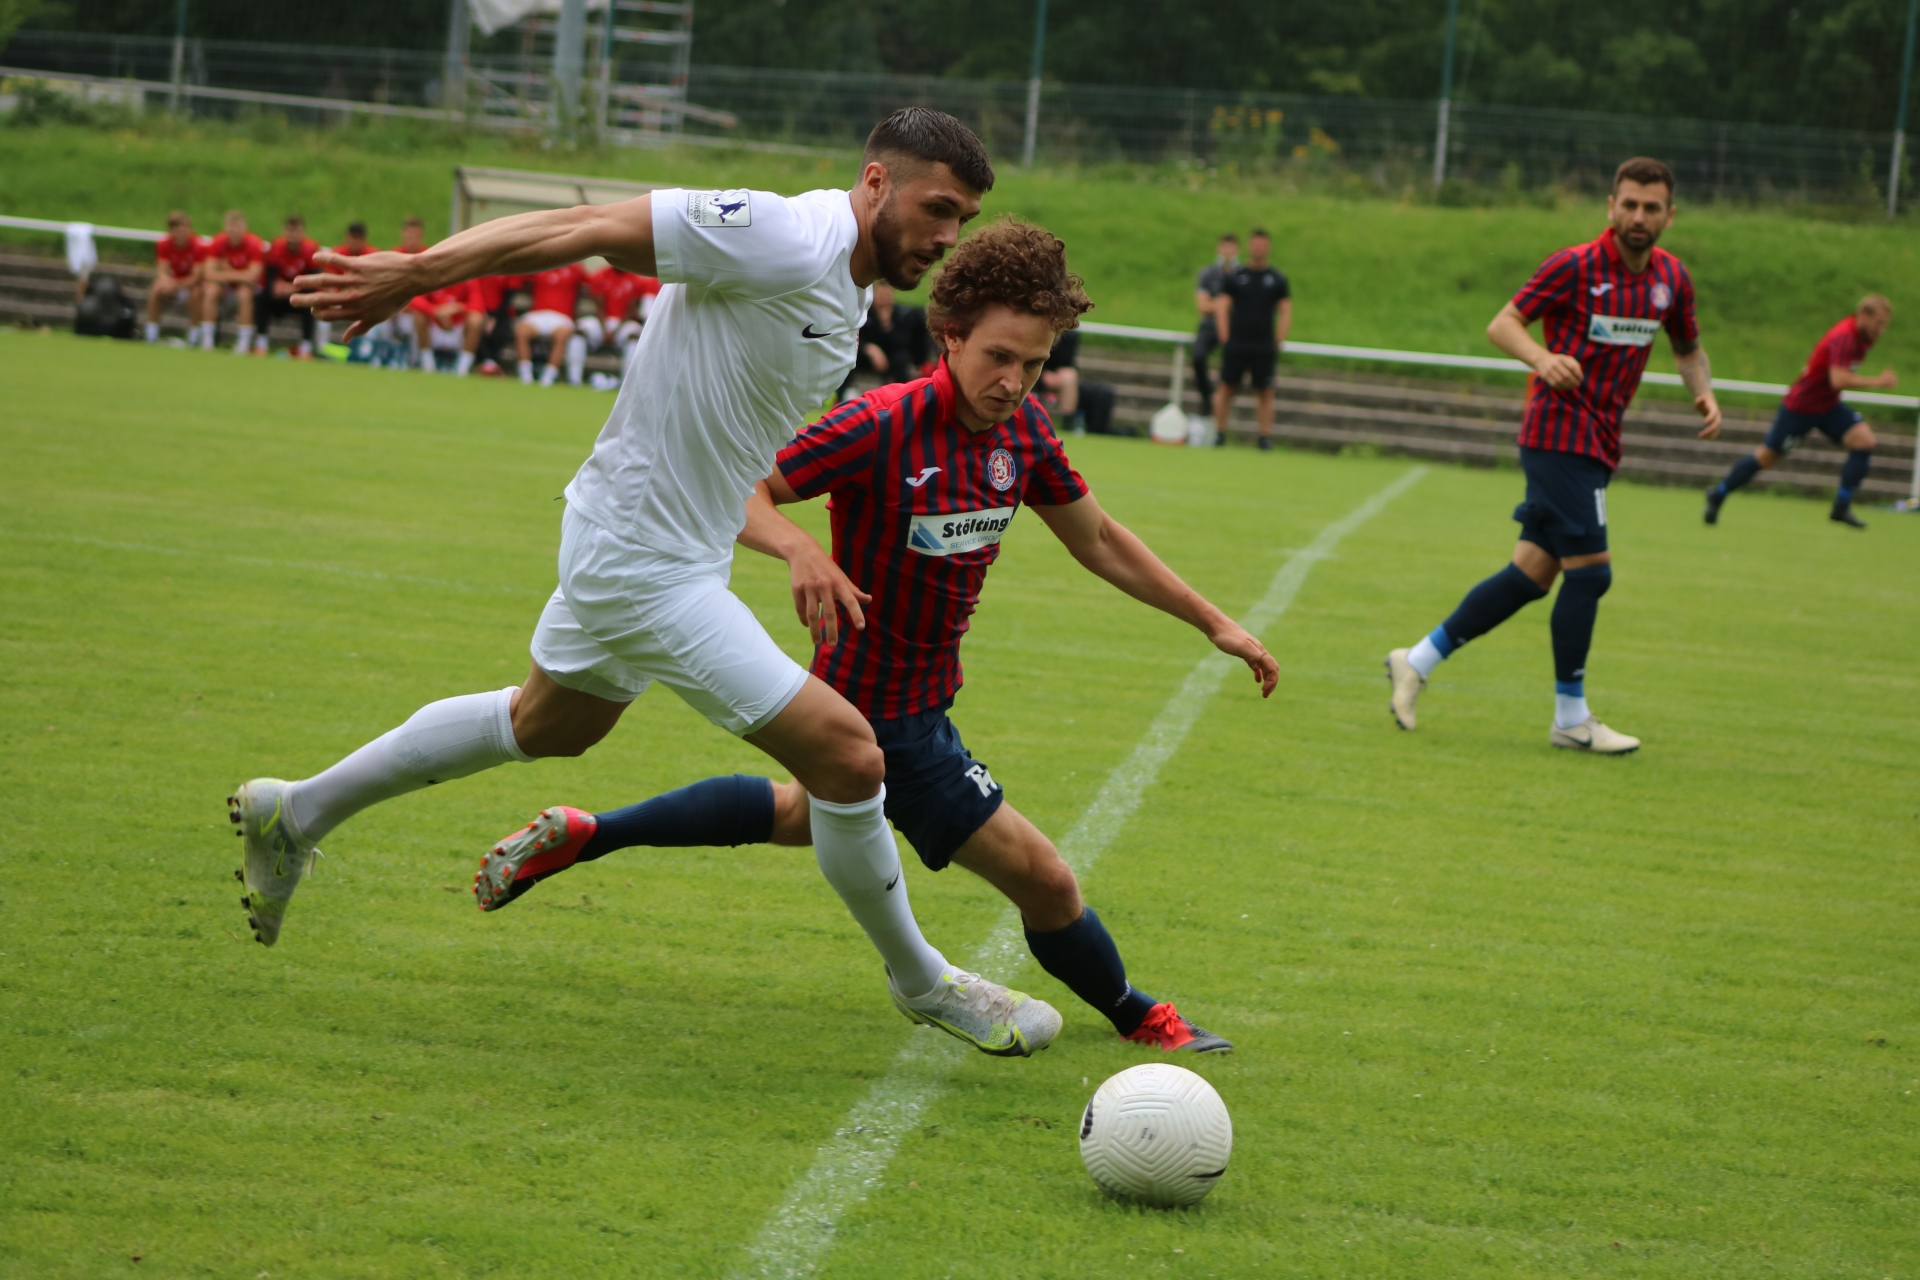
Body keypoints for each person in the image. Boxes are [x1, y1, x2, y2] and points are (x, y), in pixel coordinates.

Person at [239, 108, 1061, 1059]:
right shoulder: (782, 234)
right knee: (850, 756)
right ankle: (923, 982)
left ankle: (295, 811)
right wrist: (417, 274)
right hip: (642, 555)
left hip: (663, 545)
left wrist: (777, 541)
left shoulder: (844, 283)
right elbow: (582, 226)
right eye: (937, 208)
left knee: (550, 724)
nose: (948, 235)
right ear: (876, 183)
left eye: (962, 219)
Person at [474, 219, 1272, 1054]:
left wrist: (1215, 622)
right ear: (950, 334)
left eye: (1034, 365)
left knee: (800, 813)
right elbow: (740, 488)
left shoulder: (1024, 433)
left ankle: (590, 833)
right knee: (1046, 880)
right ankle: (1140, 1015)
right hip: (883, 714)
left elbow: (1098, 538)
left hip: (919, 701)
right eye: (999, 357)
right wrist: (801, 550)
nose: (1013, 382)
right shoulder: (882, 422)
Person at [1385, 157, 1721, 754]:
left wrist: (1704, 393)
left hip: (1600, 441)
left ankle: (1416, 660)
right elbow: (1503, 324)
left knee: (1531, 575)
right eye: (1628, 204)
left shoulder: (1672, 278)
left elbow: (1688, 346)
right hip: (1558, 434)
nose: (1637, 216)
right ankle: (1571, 717)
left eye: (1650, 208)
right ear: (1610, 206)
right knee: (1592, 573)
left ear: (1669, 216)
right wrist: (1542, 359)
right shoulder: (1575, 266)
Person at [1704, 296, 1894, 529]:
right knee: (1766, 458)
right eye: (1878, 323)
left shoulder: (1863, 338)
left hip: (1827, 405)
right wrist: (1878, 381)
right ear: (1863, 315)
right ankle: (1718, 493)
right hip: (1801, 407)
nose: (1881, 330)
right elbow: (1838, 379)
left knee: (1864, 441)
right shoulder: (1844, 336)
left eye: (1884, 325)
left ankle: (1841, 507)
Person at [1212, 228, 1290, 450]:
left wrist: (1279, 338)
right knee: (1226, 387)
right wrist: (1224, 334)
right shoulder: (1236, 276)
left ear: (1268, 248)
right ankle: (1219, 433)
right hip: (1238, 341)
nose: (1258, 249)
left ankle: (1264, 436)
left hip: (1263, 344)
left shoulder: (1277, 278)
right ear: (1249, 247)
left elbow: (1286, 309)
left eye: (1262, 245)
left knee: (1265, 391)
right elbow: (1222, 305)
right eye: (1255, 245)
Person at [199, 210, 265, 354]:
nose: (234, 231)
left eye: (238, 227)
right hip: (226, 288)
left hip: (248, 289)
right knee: (211, 290)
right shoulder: (218, 242)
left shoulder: (254, 243)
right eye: (231, 226)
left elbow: (253, 277)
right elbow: (209, 274)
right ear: (225, 227)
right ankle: (207, 340)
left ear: (244, 228)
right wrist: (240, 274)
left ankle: (243, 343)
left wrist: (225, 269)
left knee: (244, 293)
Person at [1192, 232, 1239, 429]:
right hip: (1209, 327)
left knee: (1233, 367)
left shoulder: (1241, 274)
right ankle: (1207, 398)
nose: (1227, 251)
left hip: (1235, 327)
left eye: (1231, 248)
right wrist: (1224, 306)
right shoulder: (1208, 273)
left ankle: (1223, 406)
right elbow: (1203, 305)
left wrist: (1218, 305)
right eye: (1224, 247)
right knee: (1198, 357)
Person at [515, 262, 590, 386]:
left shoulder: (575, 268)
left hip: (562, 316)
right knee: (521, 331)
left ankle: (548, 377)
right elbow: (519, 279)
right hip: (538, 314)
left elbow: (591, 284)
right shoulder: (540, 263)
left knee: (562, 335)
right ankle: (525, 375)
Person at [259, 215, 320, 358]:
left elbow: (313, 281)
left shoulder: (310, 249)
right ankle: (261, 343)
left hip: (300, 295)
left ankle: (306, 347)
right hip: (280, 295)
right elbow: (270, 277)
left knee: (311, 302)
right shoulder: (276, 246)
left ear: (303, 232)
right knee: (261, 298)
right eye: (289, 231)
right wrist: (276, 287)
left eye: (296, 231)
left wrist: (293, 288)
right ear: (284, 231)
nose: (292, 235)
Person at [578, 263, 658, 369]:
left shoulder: (636, 280)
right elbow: (600, 308)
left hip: (623, 324)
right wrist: (605, 330)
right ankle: (574, 376)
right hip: (602, 322)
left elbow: (630, 311)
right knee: (579, 332)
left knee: (633, 336)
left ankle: (627, 376)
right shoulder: (600, 275)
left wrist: (614, 332)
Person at [314, 222, 377, 352]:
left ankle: (366, 351)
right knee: (322, 307)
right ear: (347, 237)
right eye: (353, 237)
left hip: (363, 300)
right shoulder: (337, 254)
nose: (355, 242)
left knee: (378, 312)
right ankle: (321, 348)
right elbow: (328, 283)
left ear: (364, 239)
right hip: (339, 298)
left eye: (358, 238)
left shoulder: (373, 256)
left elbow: (376, 284)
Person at [145, 210, 206, 345]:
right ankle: (151, 333)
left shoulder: (198, 245)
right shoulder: (163, 244)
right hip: (175, 284)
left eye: (184, 228)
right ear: (171, 230)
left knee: (196, 294)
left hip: (190, 286)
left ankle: (194, 336)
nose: (181, 233)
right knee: (156, 289)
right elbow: (162, 270)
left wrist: (175, 284)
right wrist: (166, 282)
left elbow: (196, 277)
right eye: (177, 229)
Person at [856, 280, 930, 384]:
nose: (883, 301)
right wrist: (869, 348)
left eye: (886, 296)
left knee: (900, 358)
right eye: (880, 296)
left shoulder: (902, 315)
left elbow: (903, 343)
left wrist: (887, 325)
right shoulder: (864, 314)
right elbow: (857, 337)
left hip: (893, 358)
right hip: (869, 356)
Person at [407, 283, 473, 373]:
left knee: (476, 319)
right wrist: (435, 310)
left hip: (458, 328)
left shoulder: (468, 281)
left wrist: (457, 307)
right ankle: (427, 365)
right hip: (434, 326)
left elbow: (478, 304)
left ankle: (462, 369)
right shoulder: (433, 278)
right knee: (419, 316)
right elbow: (414, 300)